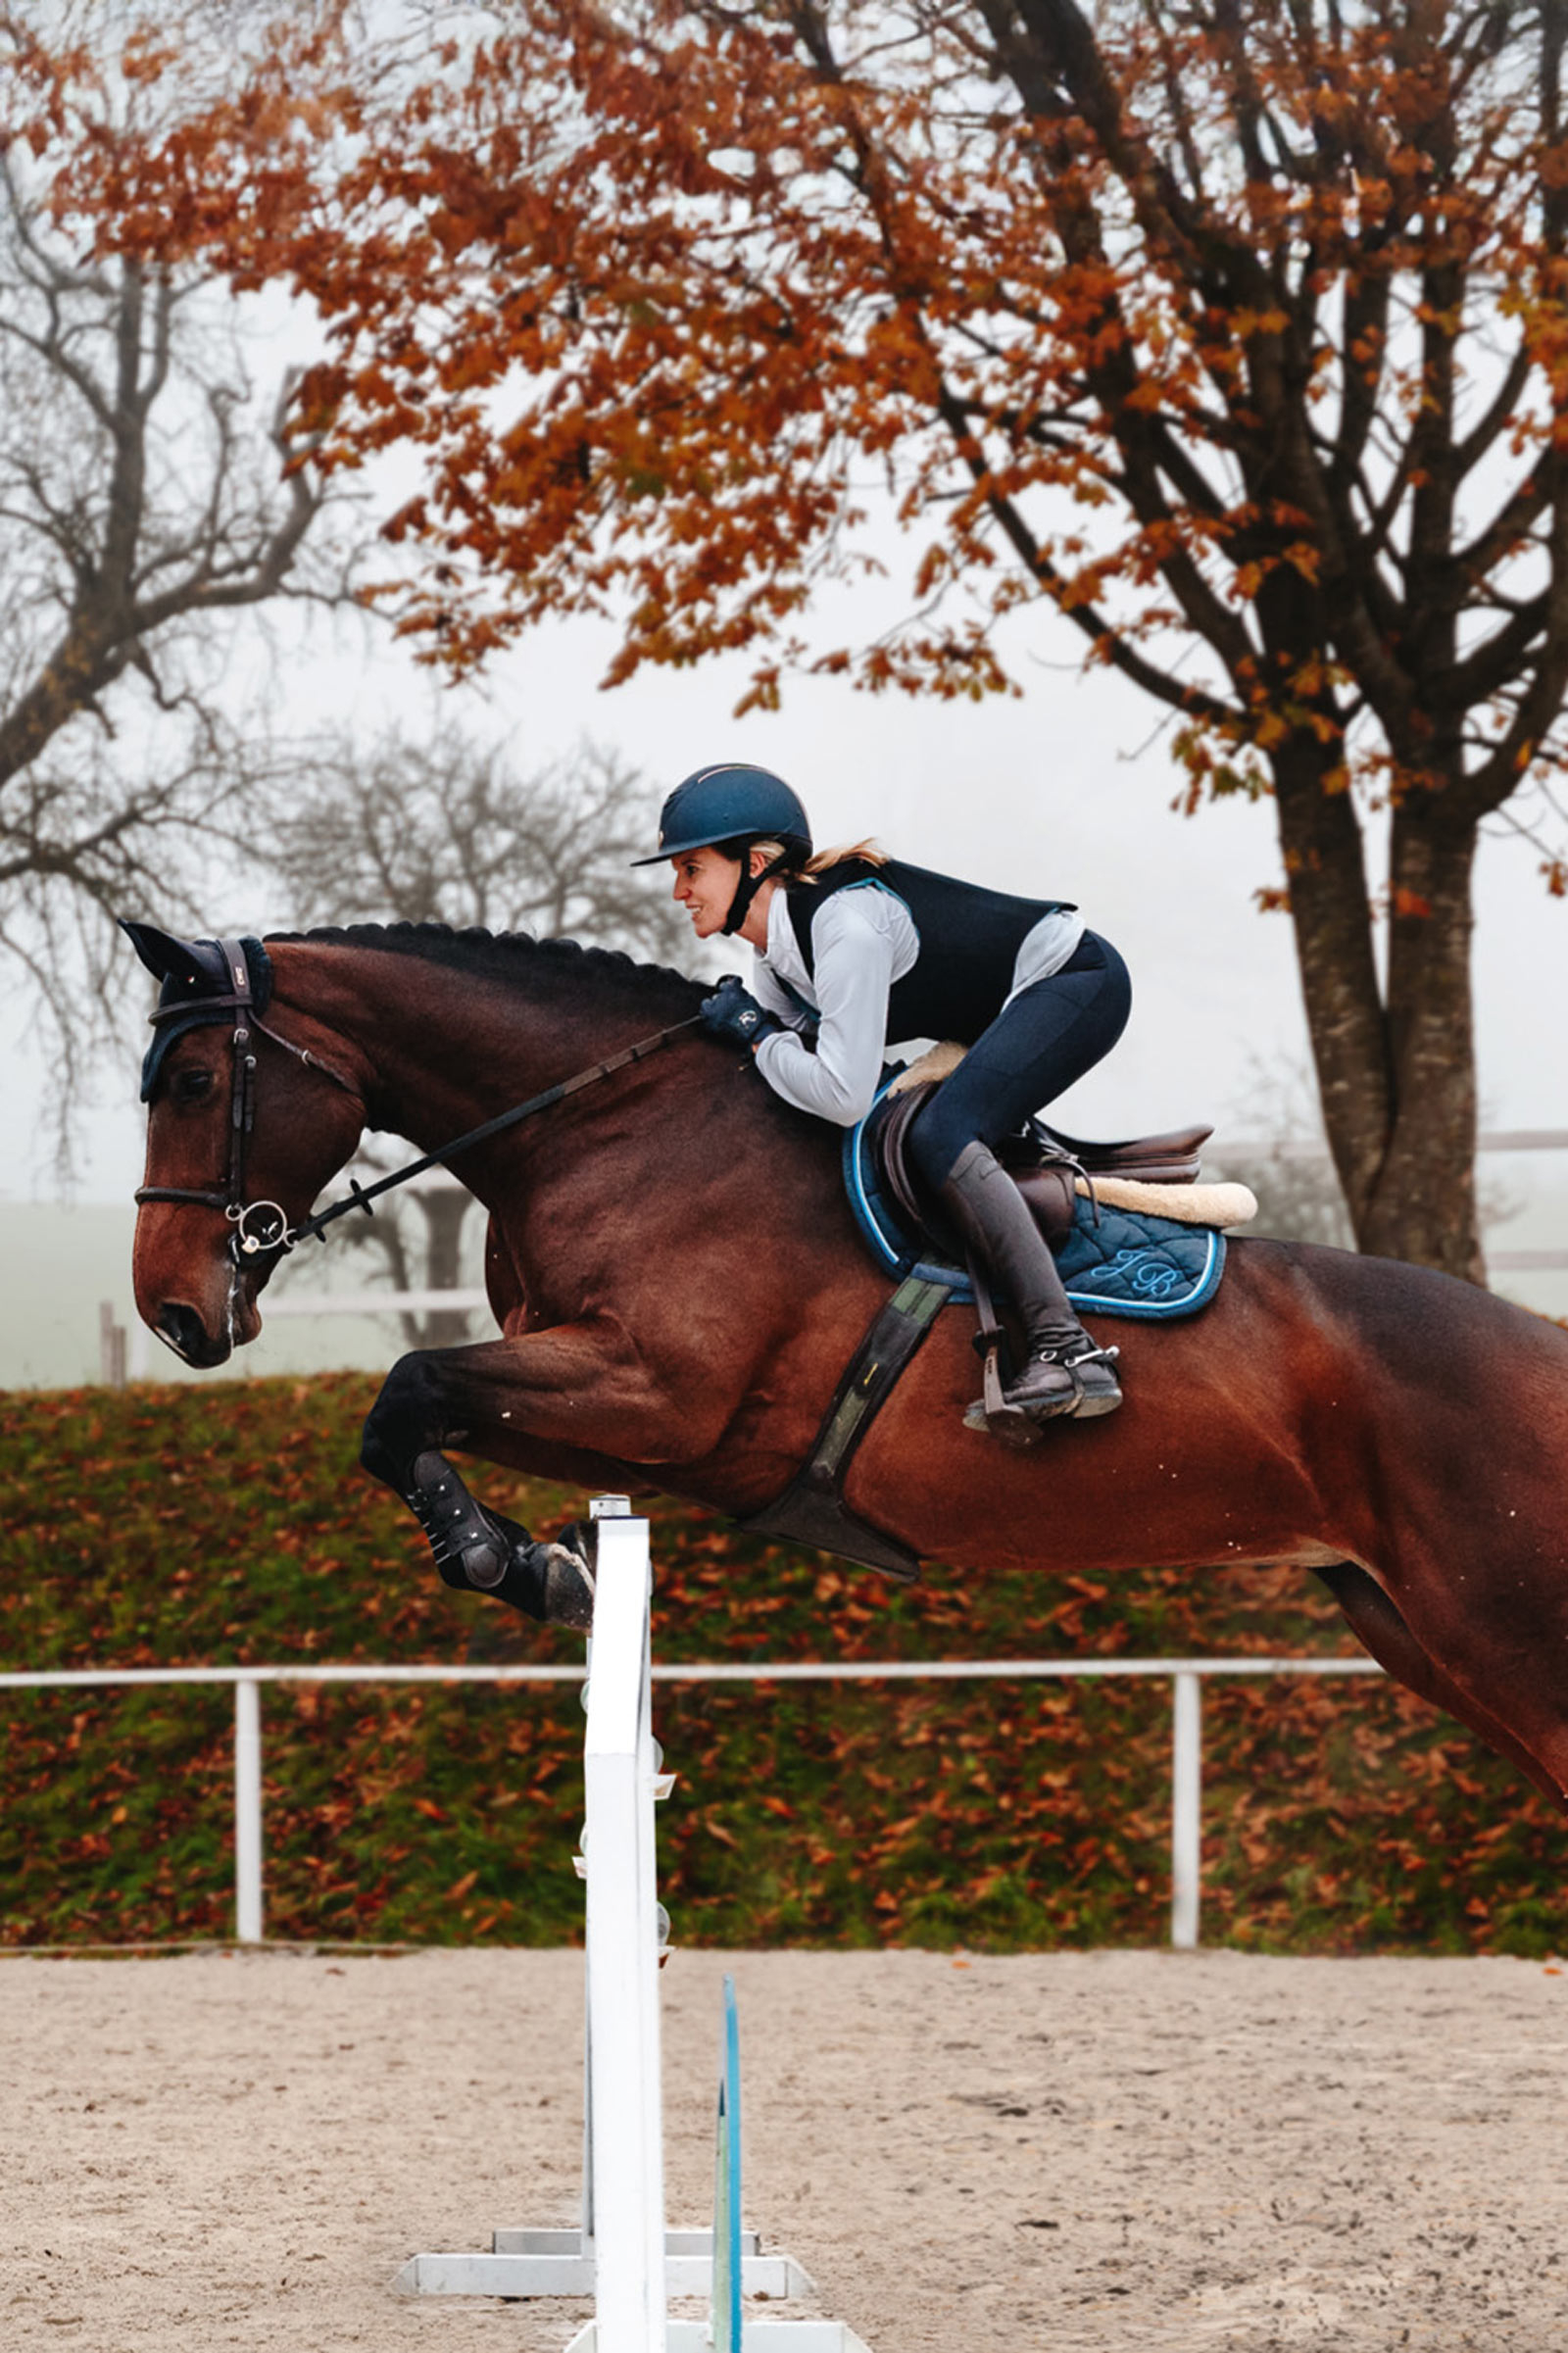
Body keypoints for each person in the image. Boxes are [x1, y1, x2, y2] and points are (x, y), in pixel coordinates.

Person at [634, 761, 1132, 1422]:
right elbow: (802, 1080)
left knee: (943, 1133)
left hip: (1079, 979)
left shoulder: (844, 925)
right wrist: (761, 1039)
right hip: (1014, 1003)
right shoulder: (775, 959)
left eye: (691, 868)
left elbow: (838, 1091)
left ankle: (1068, 1350)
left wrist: (757, 1035)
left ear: (754, 862)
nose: (678, 891)